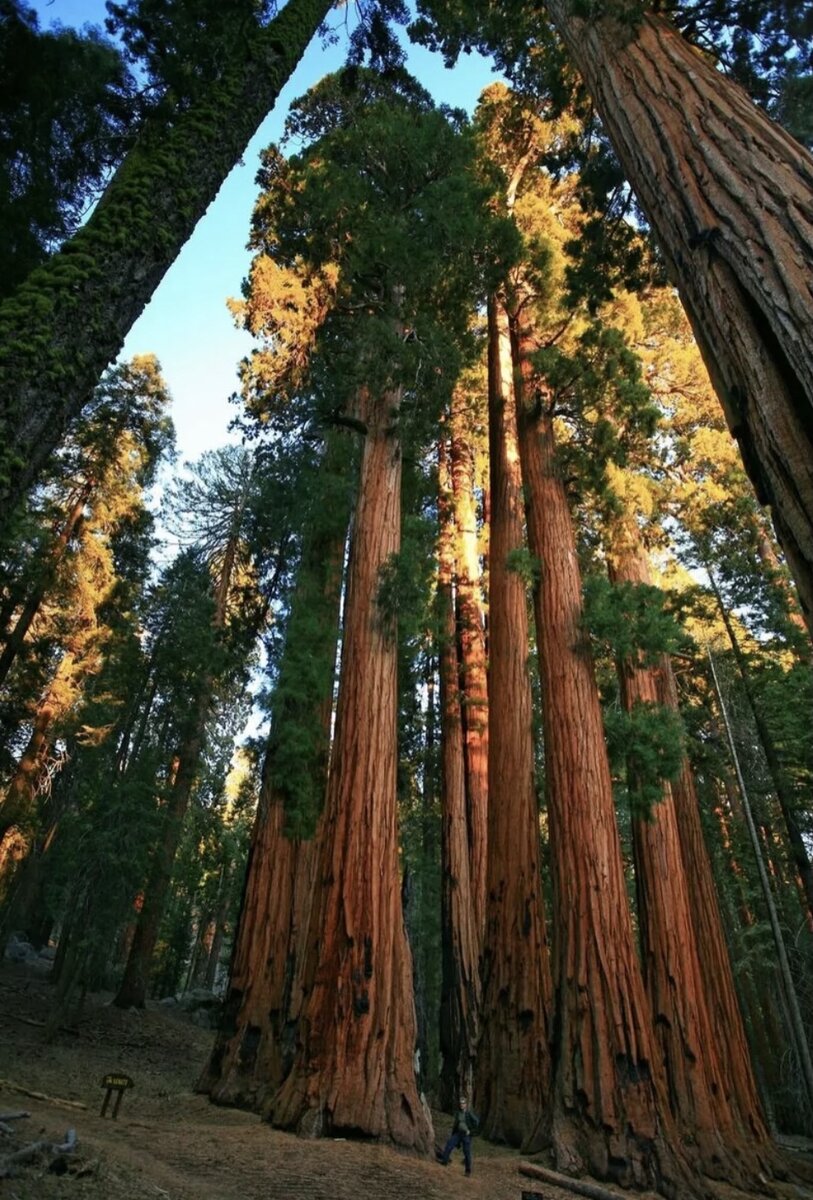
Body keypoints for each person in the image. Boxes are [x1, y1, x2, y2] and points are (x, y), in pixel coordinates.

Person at [435, 1096, 478, 1176]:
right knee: (449, 1145)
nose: (462, 1105)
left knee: (467, 1152)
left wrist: (470, 1132)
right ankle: (444, 1161)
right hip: (458, 1134)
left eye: (463, 1103)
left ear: (466, 1104)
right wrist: (453, 1133)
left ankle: (468, 1171)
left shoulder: (469, 1113)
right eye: (461, 1103)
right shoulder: (458, 1113)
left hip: (466, 1135)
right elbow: (456, 1124)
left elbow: (477, 1122)